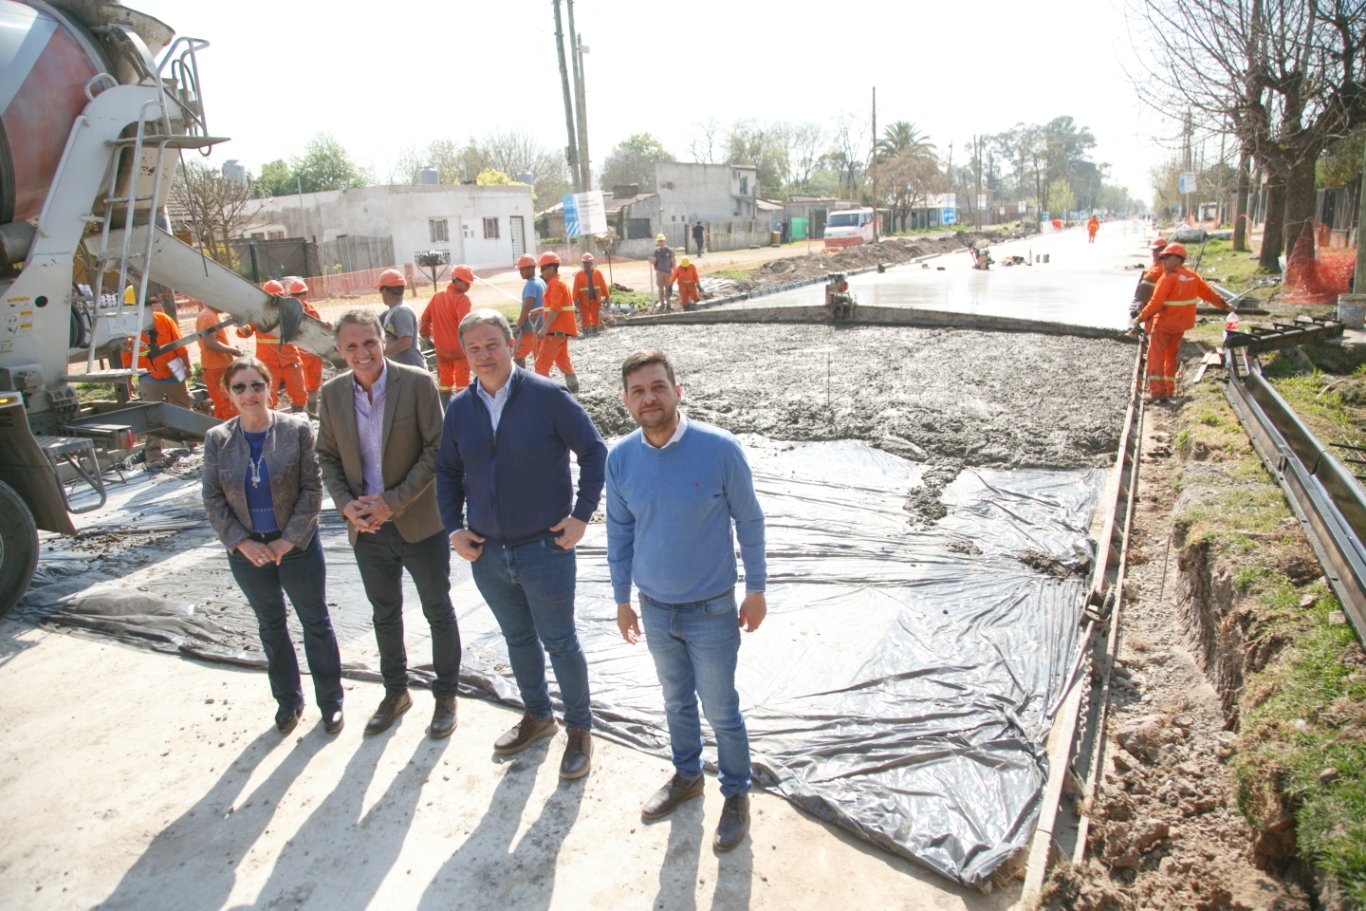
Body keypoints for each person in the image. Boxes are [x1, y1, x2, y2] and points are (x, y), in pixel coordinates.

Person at [606, 348, 767, 853]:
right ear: (627, 401)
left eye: (657, 387)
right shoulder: (621, 458)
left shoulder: (719, 449)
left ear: (677, 390)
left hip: (712, 610)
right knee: (675, 701)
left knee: (721, 708)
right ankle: (686, 774)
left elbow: (750, 520)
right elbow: (619, 533)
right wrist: (621, 599)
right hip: (654, 608)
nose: (648, 398)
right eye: (638, 391)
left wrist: (756, 588)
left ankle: (736, 792)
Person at [435, 308, 606, 781]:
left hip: (545, 549)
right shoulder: (460, 408)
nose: (484, 355)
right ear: (465, 354)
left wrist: (580, 516)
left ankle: (579, 729)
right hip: (487, 552)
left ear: (513, 345)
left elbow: (594, 453)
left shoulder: (547, 396)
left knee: (560, 640)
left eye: (493, 344)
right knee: (517, 638)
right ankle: (538, 715)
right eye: (474, 348)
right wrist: (454, 527)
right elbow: (447, 472)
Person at [316, 310, 461, 739]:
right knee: (385, 614)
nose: (363, 353)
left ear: (384, 341)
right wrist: (347, 505)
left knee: (438, 610)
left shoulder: (415, 383)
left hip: (418, 521)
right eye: (352, 346)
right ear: (340, 351)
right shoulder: (332, 394)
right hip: (367, 529)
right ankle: (395, 692)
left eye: (369, 342)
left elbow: (438, 449)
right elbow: (326, 455)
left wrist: (392, 503)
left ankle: (446, 697)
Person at [203, 356, 344, 735]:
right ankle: (288, 701)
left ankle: (330, 702)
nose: (249, 394)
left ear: (270, 388)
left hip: (296, 547)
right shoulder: (218, 440)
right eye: (240, 387)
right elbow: (213, 499)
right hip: (250, 553)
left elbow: (312, 489)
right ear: (228, 394)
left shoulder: (296, 430)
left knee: (315, 621)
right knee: (271, 625)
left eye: (256, 385)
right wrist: (242, 543)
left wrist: (289, 539)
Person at [1131, 241, 1237, 401]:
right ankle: (1169, 389)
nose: (1163, 261)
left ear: (1178, 259)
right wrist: (1225, 306)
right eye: (1163, 258)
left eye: (1167, 258)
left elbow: (1155, 304)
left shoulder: (1167, 278)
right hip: (1180, 326)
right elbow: (1209, 294)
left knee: (1156, 357)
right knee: (1171, 356)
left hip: (1164, 324)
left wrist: (1140, 318)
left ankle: (1157, 393)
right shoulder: (1192, 277)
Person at [119, 306, 193, 467]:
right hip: (149, 375)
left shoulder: (164, 320)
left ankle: (194, 444)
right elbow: (127, 356)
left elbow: (180, 345)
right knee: (151, 417)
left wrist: (187, 366)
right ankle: (154, 456)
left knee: (185, 410)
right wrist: (129, 380)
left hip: (172, 373)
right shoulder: (128, 327)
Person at [239, 279, 307, 413]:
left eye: (280, 296)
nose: (277, 300)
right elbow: (245, 331)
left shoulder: (291, 312)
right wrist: (244, 327)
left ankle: (299, 420)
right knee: (268, 396)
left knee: (299, 394)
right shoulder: (258, 314)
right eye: (273, 296)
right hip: (268, 363)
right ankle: (270, 424)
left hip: (290, 360)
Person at [420, 264, 474, 407]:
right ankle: (463, 412)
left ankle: (445, 412)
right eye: (466, 282)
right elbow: (466, 325)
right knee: (462, 384)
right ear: (456, 280)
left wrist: (426, 336)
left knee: (444, 383)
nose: (468, 286)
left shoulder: (437, 297)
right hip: (460, 351)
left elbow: (425, 319)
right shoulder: (462, 300)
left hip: (442, 351)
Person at [533, 252, 580, 393]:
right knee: (562, 360)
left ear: (551, 268)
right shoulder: (558, 283)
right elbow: (556, 306)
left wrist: (544, 328)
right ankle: (573, 386)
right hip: (561, 330)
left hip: (556, 330)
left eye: (543, 269)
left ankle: (544, 394)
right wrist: (541, 309)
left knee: (541, 365)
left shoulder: (556, 284)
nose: (541, 272)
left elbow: (556, 308)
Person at [285, 277, 330, 418]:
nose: (296, 298)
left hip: (314, 355)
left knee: (314, 387)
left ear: (305, 295)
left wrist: (326, 327)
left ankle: (313, 415)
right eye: (293, 295)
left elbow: (320, 332)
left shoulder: (312, 312)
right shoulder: (287, 313)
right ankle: (300, 417)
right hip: (299, 357)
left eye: (299, 295)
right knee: (300, 389)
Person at [195, 301, 243, 420]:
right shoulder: (207, 316)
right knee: (227, 407)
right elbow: (210, 344)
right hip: (215, 369)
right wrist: (233, 350)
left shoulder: (214, 315)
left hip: (221, 367)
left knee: (226, 406)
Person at [375, 267, 427, 370]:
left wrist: (379, 352)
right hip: (403, 368)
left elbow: (405, 343)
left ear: (384, 290)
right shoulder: (392, 311)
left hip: (411, 369)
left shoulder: (402, 312)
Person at [512, 253, 544, 369]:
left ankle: (519, 380)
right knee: (538, 356)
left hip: (531, 327)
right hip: (540, 325)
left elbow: (527, 306)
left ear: (531, 268)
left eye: (522, 269)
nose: (520, 272)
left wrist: (519, 325)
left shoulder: (531, 284)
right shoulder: (540, 282)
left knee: (518, 355)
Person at [571, 252, 610, 336]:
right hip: (583, 301)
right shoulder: (579, 275)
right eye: (585, 263)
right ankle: (586, 331)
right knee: (585, 317)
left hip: (595, 300)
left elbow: (603, 285)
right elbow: (575, 288)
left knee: (595, 316)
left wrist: (607, 297)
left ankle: (595, 330)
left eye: (588, 263)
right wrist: (574, 299)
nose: (586, 265)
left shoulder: (598, 273)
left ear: (591, 263)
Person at [1131, 237, 1168, 317]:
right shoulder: (1154, 266)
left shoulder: (1162, 268)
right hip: (1147, 305)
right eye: (1153, 250)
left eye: (1157, 250)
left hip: (1154, 306)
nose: (1154, 253)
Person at [649, 234, 675, 309]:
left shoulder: (669, 251)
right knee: (660, 289)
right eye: (659, 241)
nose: (661, 242)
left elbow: (673, 261)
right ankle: (662, 304)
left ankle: (669, 304)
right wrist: (651, 260)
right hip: (659, 272)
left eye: (662, 241)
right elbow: (654, 261)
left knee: (668, 288)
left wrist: (674, 271)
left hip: (668, 272)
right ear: (658, 242)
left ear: (664, 241)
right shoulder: (656, 251)